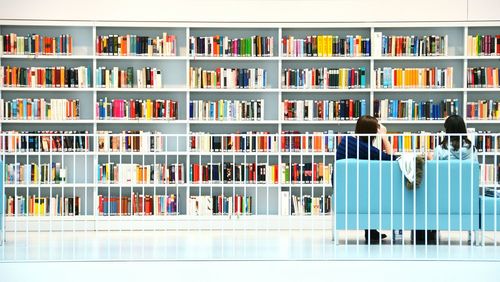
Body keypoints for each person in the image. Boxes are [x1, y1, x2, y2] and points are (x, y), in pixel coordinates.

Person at [336, 115, 397, 244]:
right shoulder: (366, 148)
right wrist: (384, 137)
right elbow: (392, 159)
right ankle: (372, 230)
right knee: (376, 190)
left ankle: (371, 231)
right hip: (357, 191)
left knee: (368, 188)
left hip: (340, 187)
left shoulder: (346, 141)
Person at [417, 115, 477, 244]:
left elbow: (435, 173)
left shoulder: (440, 149)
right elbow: (475, 170)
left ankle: (429, 230)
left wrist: (429, 158)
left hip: (442, 196)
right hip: (466, 196)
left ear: (447, 130)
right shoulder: (472, 149)